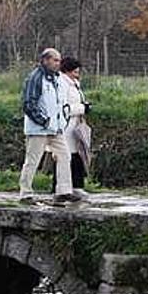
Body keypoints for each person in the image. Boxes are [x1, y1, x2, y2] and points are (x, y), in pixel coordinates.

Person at [18, 48, 80, 203]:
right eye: (55, 60)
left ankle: (63, 191)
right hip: (39, 128)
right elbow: (28, 103)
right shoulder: (36, 78)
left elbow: (60, 103)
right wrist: (43, 120)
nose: (58, 63)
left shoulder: (57, 79)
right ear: (45, 60)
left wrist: (61, 122)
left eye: (59, 60)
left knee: (64, 156)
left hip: (55, 128)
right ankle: (25, 193)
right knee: (33, 160)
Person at [51, 56, 91, 197]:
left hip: (76, 126)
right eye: (75, 72)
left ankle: (77, 185)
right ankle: (60, 186)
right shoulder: (61, 84)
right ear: (67, 71)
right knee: (64, 156)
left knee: (78, 155)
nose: (77, 75)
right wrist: (81, 108)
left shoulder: (74, 84)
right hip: (66, 126)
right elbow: (63, 107)